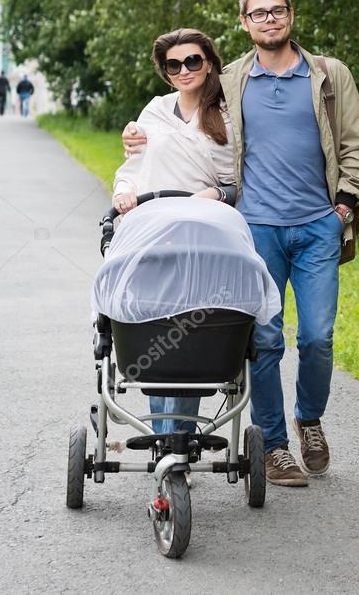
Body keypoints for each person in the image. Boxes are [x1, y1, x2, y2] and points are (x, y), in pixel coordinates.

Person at [124, 0, 359, 486]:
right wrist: (136, 136)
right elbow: (184, 120)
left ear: (291, 16)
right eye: (257, 14)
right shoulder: (231, 80)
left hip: (317, 228)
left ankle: (309, 419)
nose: (268, 20)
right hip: (255, 228)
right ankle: (276, 446)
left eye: (276, 11)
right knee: (262, 339)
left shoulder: (329, 75)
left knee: (318, 337)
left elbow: (357, 143)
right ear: (243, 22)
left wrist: (344, 206)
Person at [113, 28, 237, 435]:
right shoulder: (154, 112)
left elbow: (240, 180)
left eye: (193, 61)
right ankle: (160, 435)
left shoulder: (229, 113)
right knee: (153, 325)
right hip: (152, 232)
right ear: (165, 72)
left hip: (203, 235)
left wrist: (215, 193)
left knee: (191, 334)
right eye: (174, 65)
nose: (184, 70)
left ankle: (176, 438)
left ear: (209, 62)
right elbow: (133, 168)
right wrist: (123, 194)